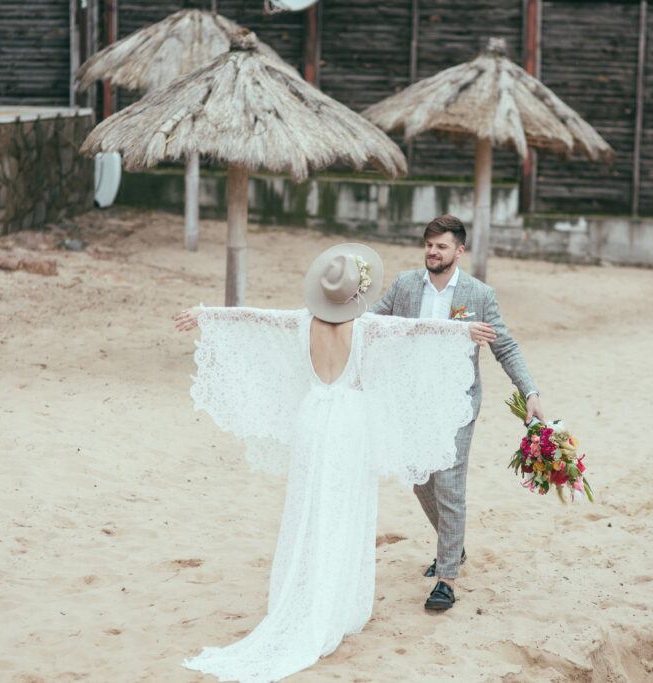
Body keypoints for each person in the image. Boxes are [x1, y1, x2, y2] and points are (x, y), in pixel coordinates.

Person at [174, 243, 496, 683]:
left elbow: (256, 316)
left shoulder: (301, 321)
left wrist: (207, 314)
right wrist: (463, 332)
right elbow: (418, 330)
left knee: (307, 506)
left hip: (312, 419)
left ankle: (305, 595)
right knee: (343, 512)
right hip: (348, 425)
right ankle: (332, 606)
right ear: (357, 294)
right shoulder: (367, 327)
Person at [370, 214, 543, 611]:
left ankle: (447, 578)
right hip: (412, 400)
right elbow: (371, 324)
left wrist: (529, 391)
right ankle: (455, 545)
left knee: (449, 484)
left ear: (458, 251)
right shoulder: (405, 285)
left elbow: (506, 347)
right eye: (429, 244)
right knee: (419, 479)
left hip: (457, 403)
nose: (433, 251)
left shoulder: (479, 295)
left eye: (441, 245)